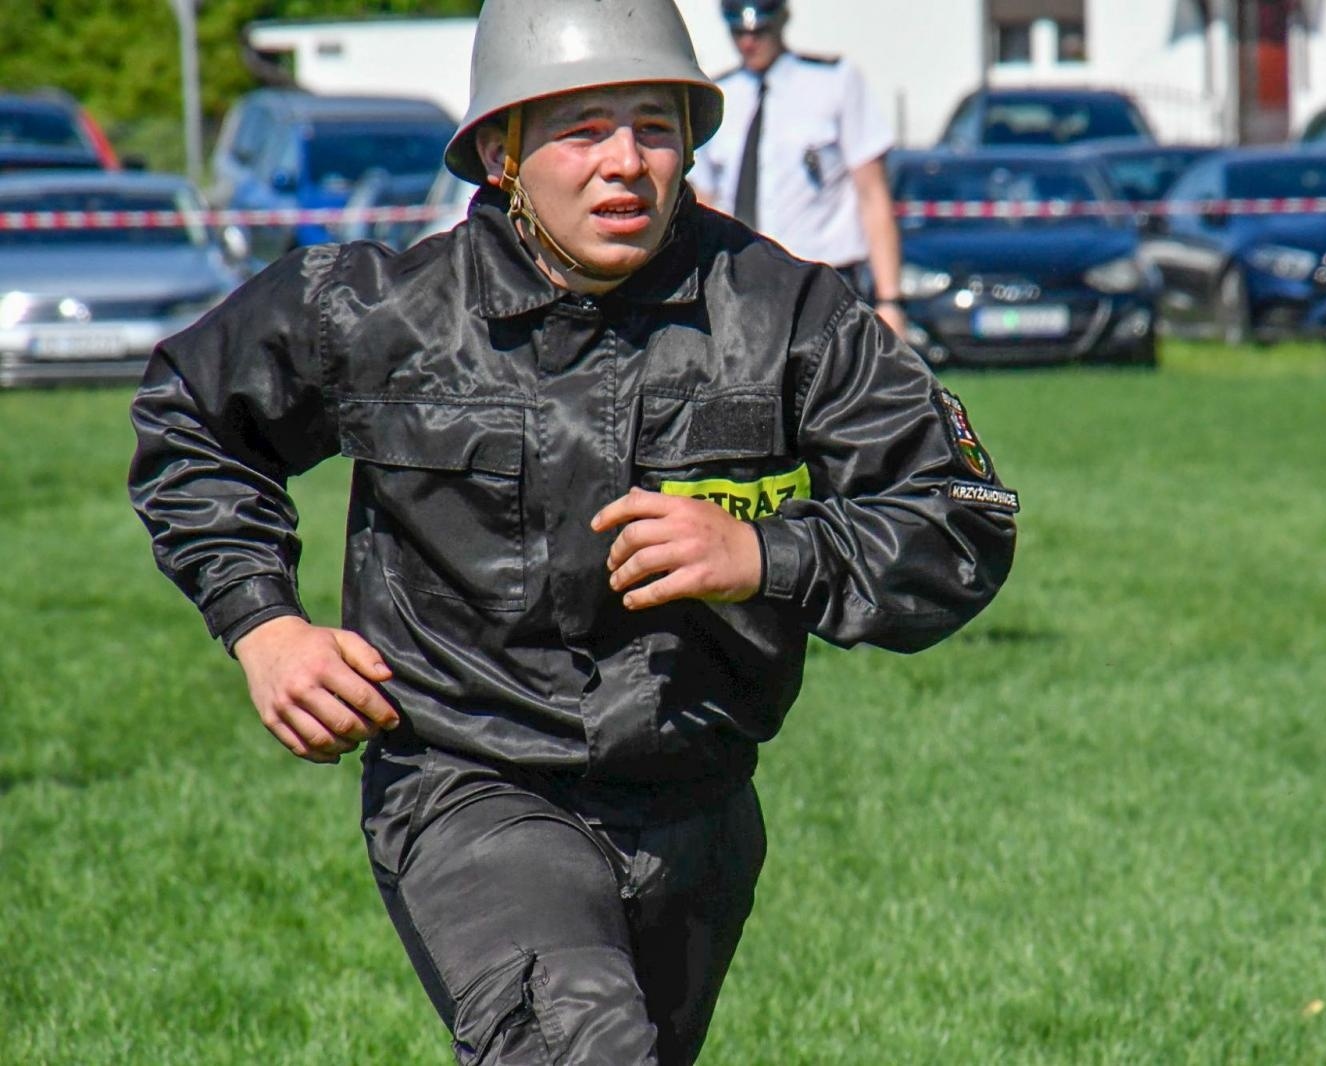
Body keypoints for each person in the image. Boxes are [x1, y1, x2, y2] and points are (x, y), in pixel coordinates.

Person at [128, 0, 1017, 1062]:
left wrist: (766, 555)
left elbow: (962, 516)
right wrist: (261, 624)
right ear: (500, 154)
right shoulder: (381, 310)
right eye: (582, 130)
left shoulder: (787, 314)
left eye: (654, 126)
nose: (625, 164)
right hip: (469, 783)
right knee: (583, 1046)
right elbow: (192, 419)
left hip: (698, 805)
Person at [692, 0, 908, 336]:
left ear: (782, 21)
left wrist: (890, 300)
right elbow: (704, 201)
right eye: (738, 32)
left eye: (759, 31)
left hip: (825, 281)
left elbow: (872, 193)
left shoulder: (835, 81)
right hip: (742, 282)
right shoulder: (718, 95)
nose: (748, 42)